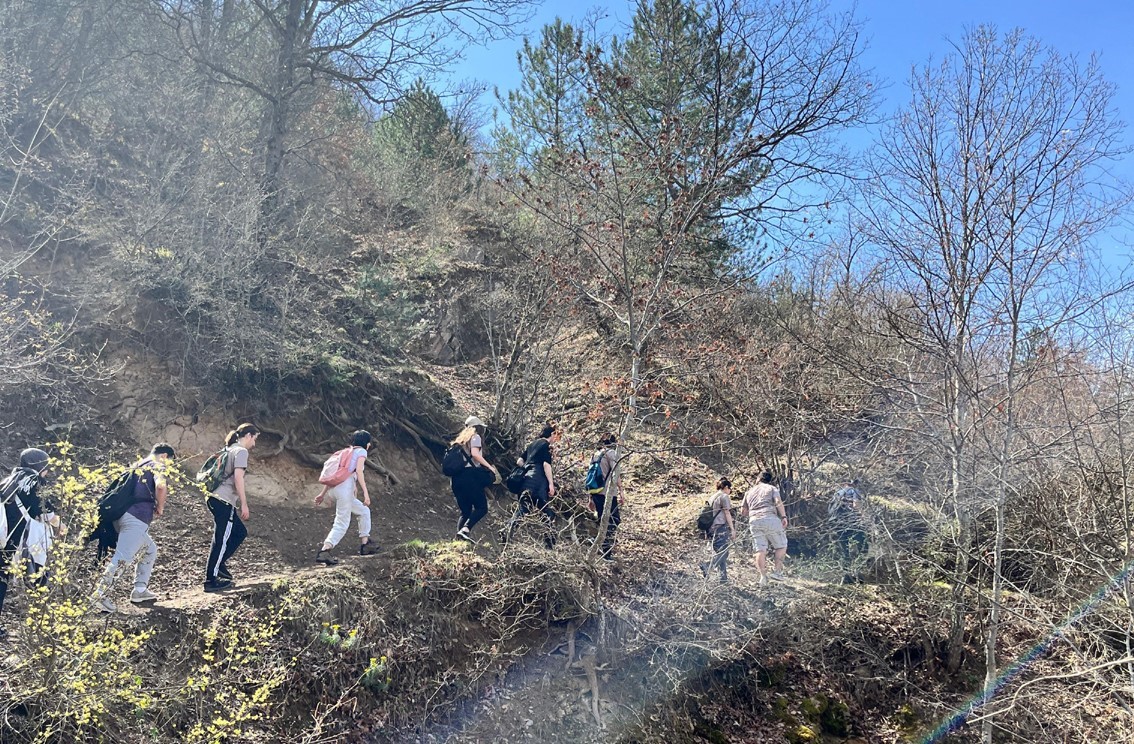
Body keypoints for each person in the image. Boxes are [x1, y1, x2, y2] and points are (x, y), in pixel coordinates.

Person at [92, 443, 175, 612]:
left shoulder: (138, 465)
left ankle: (139, 590)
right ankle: (100, 594)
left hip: (120, 516)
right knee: (123, 558)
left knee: (150, 549)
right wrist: (160, 506)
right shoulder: (157, 465)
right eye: (170, 462)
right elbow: (160, 486)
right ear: (164, 456)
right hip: (136, 518)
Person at [0, 448, 53, 640]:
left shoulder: (10, 479)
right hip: (7, 541)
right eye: (46, 467)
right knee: (2, 577)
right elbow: (47, 514)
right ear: (39, 466)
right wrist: (62, 526)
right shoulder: (34, 481)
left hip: (2, 533)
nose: (47, 472)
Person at [204, 423, 259, 592]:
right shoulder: (242, 451)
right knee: (221, 539)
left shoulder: (229, 449)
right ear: (248, 435)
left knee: (239, 532)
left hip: (214, 497)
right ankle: (210, 580)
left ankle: (219, 565)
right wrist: (244, 503)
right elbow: (238, 479)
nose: (254, 444)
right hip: (224, 499)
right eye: (255, 439)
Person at [314, 430, 378, 564]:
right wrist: (366, 493)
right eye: (369, 443)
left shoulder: (345, 452)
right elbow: (359, 471)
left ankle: (365, 544)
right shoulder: (361, 452)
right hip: (344, 490)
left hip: (335, 489)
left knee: (364, 511)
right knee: (342, 522)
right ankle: (325, 550)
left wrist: (322, 494)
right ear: (367, 443)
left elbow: (335, 477)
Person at [504, 421, 561, 548]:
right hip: (538, 482)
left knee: (524, 507)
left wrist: (527, 467)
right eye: (555, 436)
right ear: (551, 434)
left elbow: (519, 460)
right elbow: (546, 465)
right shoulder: (546, 445)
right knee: (546, 512)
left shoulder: (532, 444)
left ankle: (507, 529)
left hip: (525, 480)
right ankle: (549, 545)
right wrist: (551, 484)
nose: (555, 440)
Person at [449, 416, 500, 542]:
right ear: (478, 428)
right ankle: (465, 530)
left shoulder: (459, 441)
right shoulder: (475, 437)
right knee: (481, 508)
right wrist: (490, 467)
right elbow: (475, 454)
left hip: (456, 479)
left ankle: (459, 539)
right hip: (470, 477)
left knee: (465, 511)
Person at [741, 470, 789, 585]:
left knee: (760, 549)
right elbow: (778, 501)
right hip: (770, 518)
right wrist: (783, 516)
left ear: (758, 479)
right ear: (769, 480)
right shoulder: (772, 489)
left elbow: (743, 511)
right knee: (781, 545)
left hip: (754, 520)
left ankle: (763, 577)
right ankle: (777, 573)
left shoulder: (749, 492)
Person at [588, 432, 620, 559]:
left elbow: (590, 476)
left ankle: (597, 543)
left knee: (602, 518)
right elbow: (615, 473)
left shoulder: (595, 454)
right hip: (608, 493)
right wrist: (621, 490)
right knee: (614, 519)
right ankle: (606, 551)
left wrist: (590, 497)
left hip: (596, 491)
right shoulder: (611, 453)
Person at [699, 477, 735, 584]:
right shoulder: (724, 496)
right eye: (730, 490)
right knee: (724, 552)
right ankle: (707, 565)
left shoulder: (712, 497)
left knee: (720, 552)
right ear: (726, 487)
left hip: (710, 529)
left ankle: (723, 579)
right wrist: (732, 529)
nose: (730, 492)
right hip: (720, 528)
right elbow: (727, 513)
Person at [829, 479, 867, 563]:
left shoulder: (837, 493)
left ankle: (846, 565)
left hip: (836, 522)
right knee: (861, 539)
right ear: (854, 483)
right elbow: (856, 504)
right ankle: (862, 560)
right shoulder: (854, 491)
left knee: (843, 545)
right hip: (850, 520)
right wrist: (862, 516)